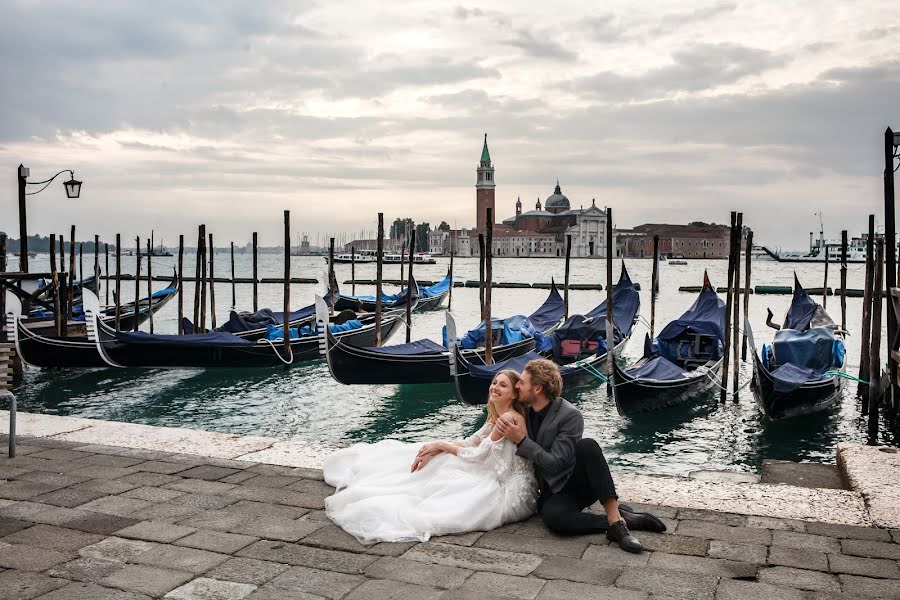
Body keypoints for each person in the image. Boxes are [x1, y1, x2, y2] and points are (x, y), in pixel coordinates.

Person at [323, 369, 537, 544]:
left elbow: (479, 456)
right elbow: (473, 442)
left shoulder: (508, 418)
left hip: (509, 491)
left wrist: (444, 445)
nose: (495, 387)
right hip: (494, 472)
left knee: (445, 468)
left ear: (514, 394)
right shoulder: (498, 415)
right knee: (441, 457)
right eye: (494, 382)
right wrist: (438, 446)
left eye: (503, 385)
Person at [494, 358, 666, 553]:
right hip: (550, 490)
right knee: (555, 521)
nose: (517, 386)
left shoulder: (569, 415)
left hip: (576, 482)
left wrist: (522, 441)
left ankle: (617, 524)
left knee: (588, 446)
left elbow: (556, 463)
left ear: (538, 388)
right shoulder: (523, 411)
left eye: (522, 383)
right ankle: (622, 520)